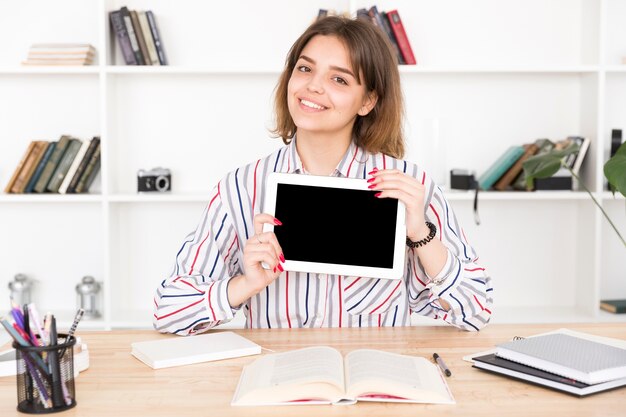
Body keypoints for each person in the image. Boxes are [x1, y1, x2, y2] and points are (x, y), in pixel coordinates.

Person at [153, 16, 492, 335]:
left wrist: (420, 234)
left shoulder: (406, 185)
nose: (312, 87)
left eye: (339, 79)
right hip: (276, 382)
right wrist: (245, 284)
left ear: (368, 101)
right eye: (305, 69)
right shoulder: (241, 188)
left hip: (375, 382)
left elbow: (476, 310)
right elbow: (169, 311)